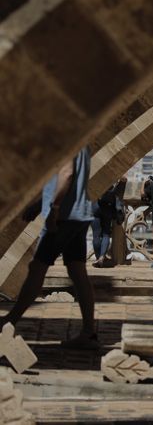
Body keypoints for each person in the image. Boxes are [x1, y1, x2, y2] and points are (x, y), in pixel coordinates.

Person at [1, 147, 99, 349]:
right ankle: (89, 332)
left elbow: (66, 173)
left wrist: (52, 208)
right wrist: (39, 206)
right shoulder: (83, 141)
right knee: (77, 271)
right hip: (79, 214)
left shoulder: (69, 139)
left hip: (64, 216)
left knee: (37, 267)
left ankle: (10, 320)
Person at [92, 177, 126, 267]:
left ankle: (97, 258)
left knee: (96, 235)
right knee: (106, 234)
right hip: (108, 208)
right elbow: (120, 192)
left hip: (95, 207)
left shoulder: (98, 177)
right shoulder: (113, 179)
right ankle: (102, 257)